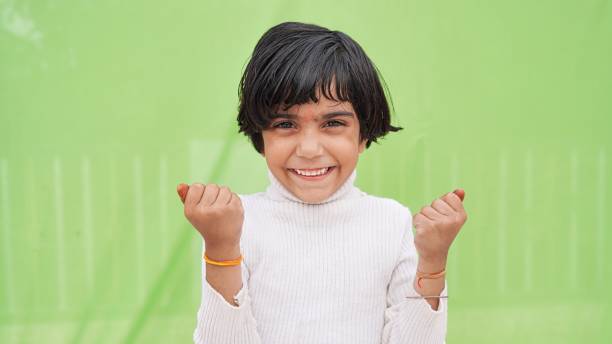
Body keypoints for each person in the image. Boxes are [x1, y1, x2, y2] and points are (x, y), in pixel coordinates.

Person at [177, 21, 468, 344]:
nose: (310, 149)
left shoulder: (391, 221)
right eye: (285, 123)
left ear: (364, 133)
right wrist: (221, 248)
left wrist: (433, 261)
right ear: (260, 135)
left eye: (333, 123)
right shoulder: (235, 224)